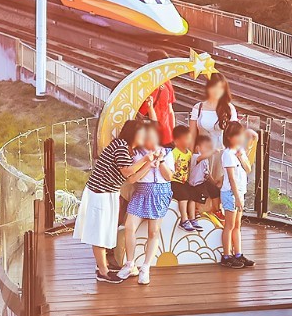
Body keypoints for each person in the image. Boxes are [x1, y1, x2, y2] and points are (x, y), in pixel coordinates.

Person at [74, 120, 154, 284]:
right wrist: (145, 159)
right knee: (99, 233)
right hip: (99, 193)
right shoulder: (121, 146)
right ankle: (102, 272)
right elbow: (127, 171)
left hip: (108, 193)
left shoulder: (127, 149)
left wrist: (150, 164)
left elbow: (131, 179)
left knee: (104, 230)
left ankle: (103, 265)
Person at [118, 123, 173, 285]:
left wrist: (160, 160)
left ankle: (146, 267)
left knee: (153, 231)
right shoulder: (137, 154)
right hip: (141, 192)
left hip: (160, 193)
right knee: (129, 226)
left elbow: (169, 177)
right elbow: (132, 178)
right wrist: (148, 164)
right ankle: (130, 264)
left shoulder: (168, 153)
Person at [189, 73, 239, 188]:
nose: (217, 91)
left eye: (220, 88)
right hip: (202, 153)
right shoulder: (199, 107)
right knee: (201, 186)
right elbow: (192, 133)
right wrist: (191, 155)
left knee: (221, 186)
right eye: (214, 87)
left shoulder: (229, 108)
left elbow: (234, 132)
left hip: (221, 152)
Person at [220, 121, 254, 269]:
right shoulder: (227, 154)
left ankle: (238, 253)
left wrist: (242, 157)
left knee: (237, 225)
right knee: (229, 225)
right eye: (237, 135)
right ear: (229, 137)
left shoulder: (239, 151)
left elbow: (248, 169)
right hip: (230, 193)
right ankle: (226, 255)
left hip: (240, 191)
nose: (241, 138)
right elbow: (231, 178)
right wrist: (237, 198)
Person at [140, 49, 176, 147]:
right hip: (152, 133)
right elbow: (170, 110)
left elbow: (170, 110)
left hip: (163, 133)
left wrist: (173, 132)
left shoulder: (166, 82)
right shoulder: (144, 82)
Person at [167, 125, 199, 232]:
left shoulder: (189, 154)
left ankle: (193, 217)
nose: (189, 141)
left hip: (185, 181)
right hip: (175, 181)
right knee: (183, 195)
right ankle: (184, 219)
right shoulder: (173, 153)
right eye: (186, 138)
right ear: (177, 141)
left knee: (194, 193)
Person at [186, 133, 219, 222]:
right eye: (206, 147)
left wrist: (214, 182)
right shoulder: (195, 157)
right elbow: (201, 157)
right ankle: (194, 213)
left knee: (215, 190)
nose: (208, 150)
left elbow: (207, 173)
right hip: (195, 184)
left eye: (209, 147)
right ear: (198, 148)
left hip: (203, 181)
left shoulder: (206, 159)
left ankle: (217, 210)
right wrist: (212, 151)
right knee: (196, 197)